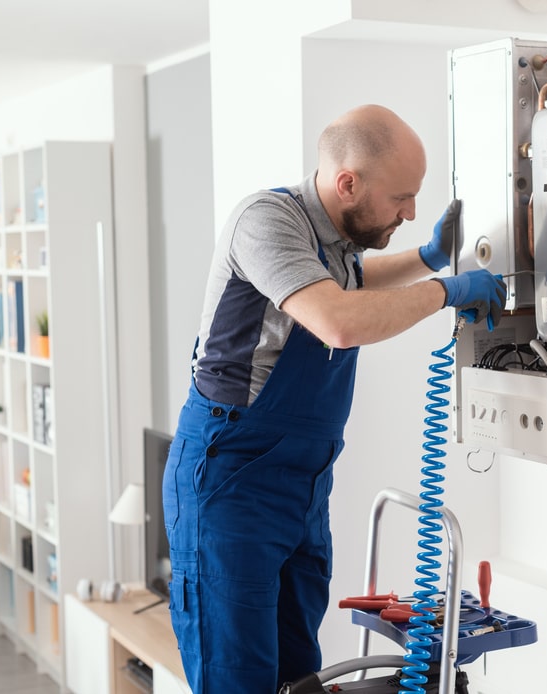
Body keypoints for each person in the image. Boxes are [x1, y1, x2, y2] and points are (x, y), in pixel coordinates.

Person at [162, 103, 506, 693]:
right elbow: (337, 319)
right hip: (230, 482)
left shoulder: (337, 242)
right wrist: (445, 290)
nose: (411, 211)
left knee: (298, 677)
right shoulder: (266, 221)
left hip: (301, 487)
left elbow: (352, 283)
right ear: (348, 184)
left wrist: (425, 257)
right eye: (401, 197)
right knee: (238, 678)